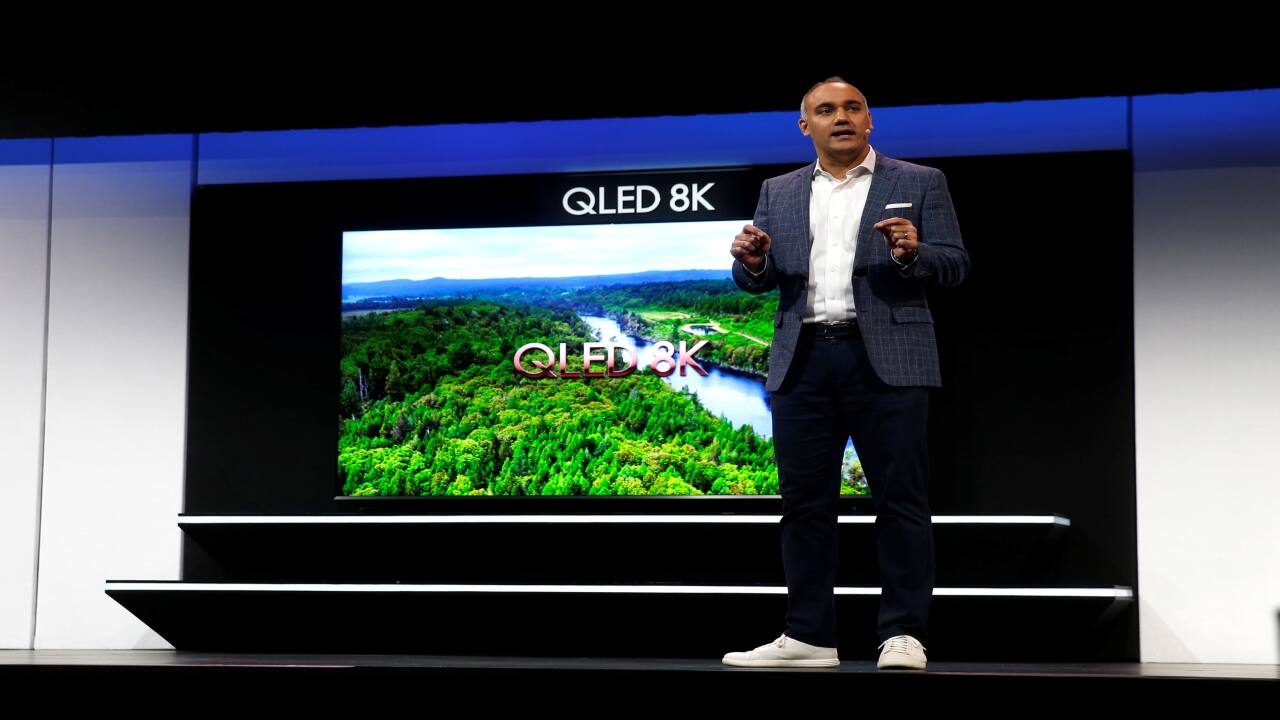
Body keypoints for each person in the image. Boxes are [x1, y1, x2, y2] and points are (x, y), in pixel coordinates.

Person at [721, 77, 970, 670]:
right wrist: (749, 262)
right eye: (826, 110)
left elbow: (955, 264)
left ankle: (904, 634)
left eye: (853, 108)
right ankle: (809, 636)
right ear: (805, 126)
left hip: (887, 359)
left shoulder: (919, 181)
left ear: (869, 121)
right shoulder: (776, 191)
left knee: (900, 501)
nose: (841, 117)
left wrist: (914, 254)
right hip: (802, 359)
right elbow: (760, 281)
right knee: (805, 505)